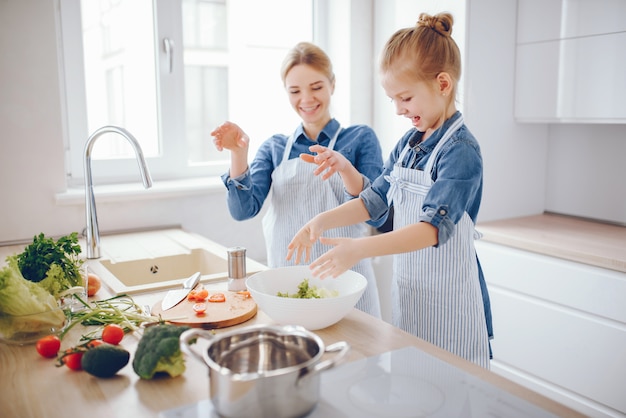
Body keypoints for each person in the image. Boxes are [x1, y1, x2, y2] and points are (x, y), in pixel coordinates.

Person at [287, 13, 493, 368]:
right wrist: (322, 220)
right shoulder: (409, 145)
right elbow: (374, 200)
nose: (398, 109)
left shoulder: (460, 152)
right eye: (392, 99)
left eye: (406, 98)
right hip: (412, 299)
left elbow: (431, 230)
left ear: (443, 84)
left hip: (452, 306)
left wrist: (358, 248)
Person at [211, 41, 384, 318]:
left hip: (349, 285)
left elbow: (376, 215)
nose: (306, 99)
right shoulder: (275, 148)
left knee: (359, 358)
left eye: (316, 87)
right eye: (295, 91)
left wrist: (344, 167)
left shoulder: (360, 138)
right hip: (288, 287)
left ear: (332, 84)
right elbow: (243, 210)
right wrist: (238, 154)